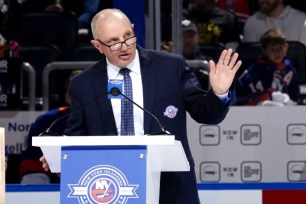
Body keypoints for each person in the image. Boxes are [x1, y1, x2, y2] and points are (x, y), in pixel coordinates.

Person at [40, 8, 241, 203]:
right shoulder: (84, 84)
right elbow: (77, 137)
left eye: (128, 36)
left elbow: (206, 114)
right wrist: (58, 155)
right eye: (113, 42)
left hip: (170, 191)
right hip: (112, 189)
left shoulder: (170, 67)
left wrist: (218, 93)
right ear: (97, 46)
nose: (124, 46)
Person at [19, 70, 81, 184]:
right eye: (75, 92)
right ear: (67, 97)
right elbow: (32, 163)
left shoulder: (108, 120)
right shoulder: (48, 121)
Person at [235, 28, 299, 105]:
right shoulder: (253, 70)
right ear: (264, 50)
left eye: (280, 48)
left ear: (286, 47)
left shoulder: (290, 68)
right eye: (273, 49)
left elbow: (295, 97)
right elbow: (239, 98)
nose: (277, 53)